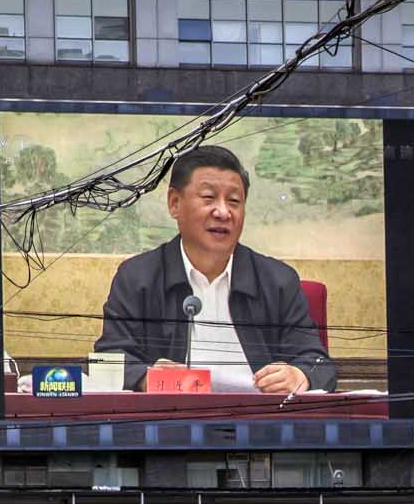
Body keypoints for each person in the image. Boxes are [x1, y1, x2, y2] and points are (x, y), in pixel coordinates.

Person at [95, 144, 337, 395]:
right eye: (209, 198)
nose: (223, 212)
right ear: (175, 203)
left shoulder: (278, 280)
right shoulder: (137, 277)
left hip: (259, 423)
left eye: (234, 201)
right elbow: (108, 359)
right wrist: (147, 378)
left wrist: (300, 375)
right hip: (175, 424)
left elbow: (319, 363)